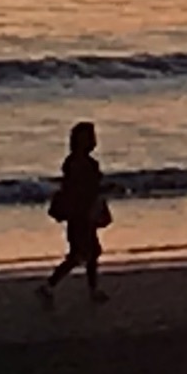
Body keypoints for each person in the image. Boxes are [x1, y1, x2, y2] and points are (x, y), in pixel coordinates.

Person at [38, 121, 110, 305]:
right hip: (80, 213)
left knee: (90, 252)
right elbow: (79, 189)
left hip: (84, 211)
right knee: (80, 254)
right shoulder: (77, 163)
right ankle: (50, 285)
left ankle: (90, 289)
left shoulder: (80, 162)